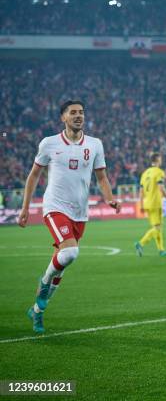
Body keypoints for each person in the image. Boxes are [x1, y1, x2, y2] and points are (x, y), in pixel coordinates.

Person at [18, 100, 121, 333]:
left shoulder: (95, 144)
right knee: (70, 252)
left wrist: (109, 198)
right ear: (63, 117)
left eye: (81, 112)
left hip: (79, 213)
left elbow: (102, 177)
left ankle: (37, 311)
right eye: (73, 113)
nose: (78, 116)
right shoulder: (49, 143)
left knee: (62, 263)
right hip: (54, 207)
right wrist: (25, 208)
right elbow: (34, 176)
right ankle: (43, 283)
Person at [135, 152, 166, 257]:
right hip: (155, 203)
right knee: (157, 227)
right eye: (160, 159)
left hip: (147, 203)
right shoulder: (159, 172)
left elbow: (141, 191)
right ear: (157, 160)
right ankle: (141, 243)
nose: (161, 161)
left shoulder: (145, 173)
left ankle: (161, 250)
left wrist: (141, 204)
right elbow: (161, 187)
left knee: (157, 227)